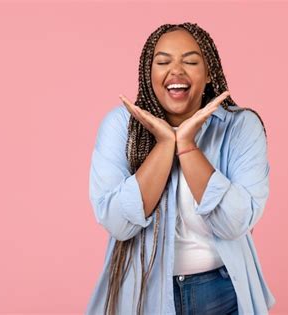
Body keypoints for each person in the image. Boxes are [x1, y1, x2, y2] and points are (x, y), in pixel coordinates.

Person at [86, 22, 276, 315]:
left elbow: (234, 223)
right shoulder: (119, 126)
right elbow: (117, 223)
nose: (176, 71)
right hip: (141, 294)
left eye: (190, 61)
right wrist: (164, 145)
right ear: (149, 74)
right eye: (163, 62)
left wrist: (186, 145)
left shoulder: (241, 127)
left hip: (222, 294)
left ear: (209, 72)